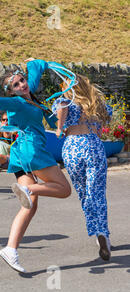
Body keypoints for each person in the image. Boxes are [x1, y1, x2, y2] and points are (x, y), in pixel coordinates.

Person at [0, 58, 71, 273]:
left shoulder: (34, 101)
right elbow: (2, 103)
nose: (22, 85)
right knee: (64, 190)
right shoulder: (18, 103)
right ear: (12, 91)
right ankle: (27, 188)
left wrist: (34, 62)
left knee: (29, 205)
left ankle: (10, 249)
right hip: (33, 152)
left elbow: (37, 73)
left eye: (22, 80)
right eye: (16, 85)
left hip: (20, 156)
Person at [52, 74, 113, 261]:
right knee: (97, 193)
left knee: (84, 192)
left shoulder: (64, 102)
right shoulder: (96, 103)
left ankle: (96, 231)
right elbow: (105, 123)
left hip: (72, 148)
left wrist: (60, 126)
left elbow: (60, 119)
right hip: (93, 145)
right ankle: (102, 233)